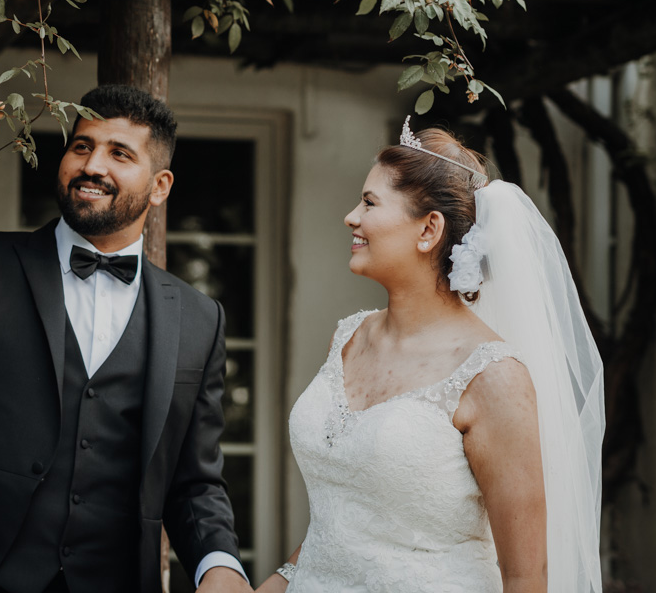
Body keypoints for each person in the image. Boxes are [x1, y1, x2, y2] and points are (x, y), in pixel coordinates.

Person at [0, 86, 252, 593]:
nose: (92, 165)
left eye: (119, 153)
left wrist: (220, 563)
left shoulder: (199, 318)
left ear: (160, 185)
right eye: (81, 146)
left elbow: (195, 482)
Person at [258, 119, 604, 593]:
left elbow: (526, 576)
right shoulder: (348, 337)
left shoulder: (493, 377)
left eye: (369, 202)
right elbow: (342, 519)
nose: (351, 217)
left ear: (429, 229)